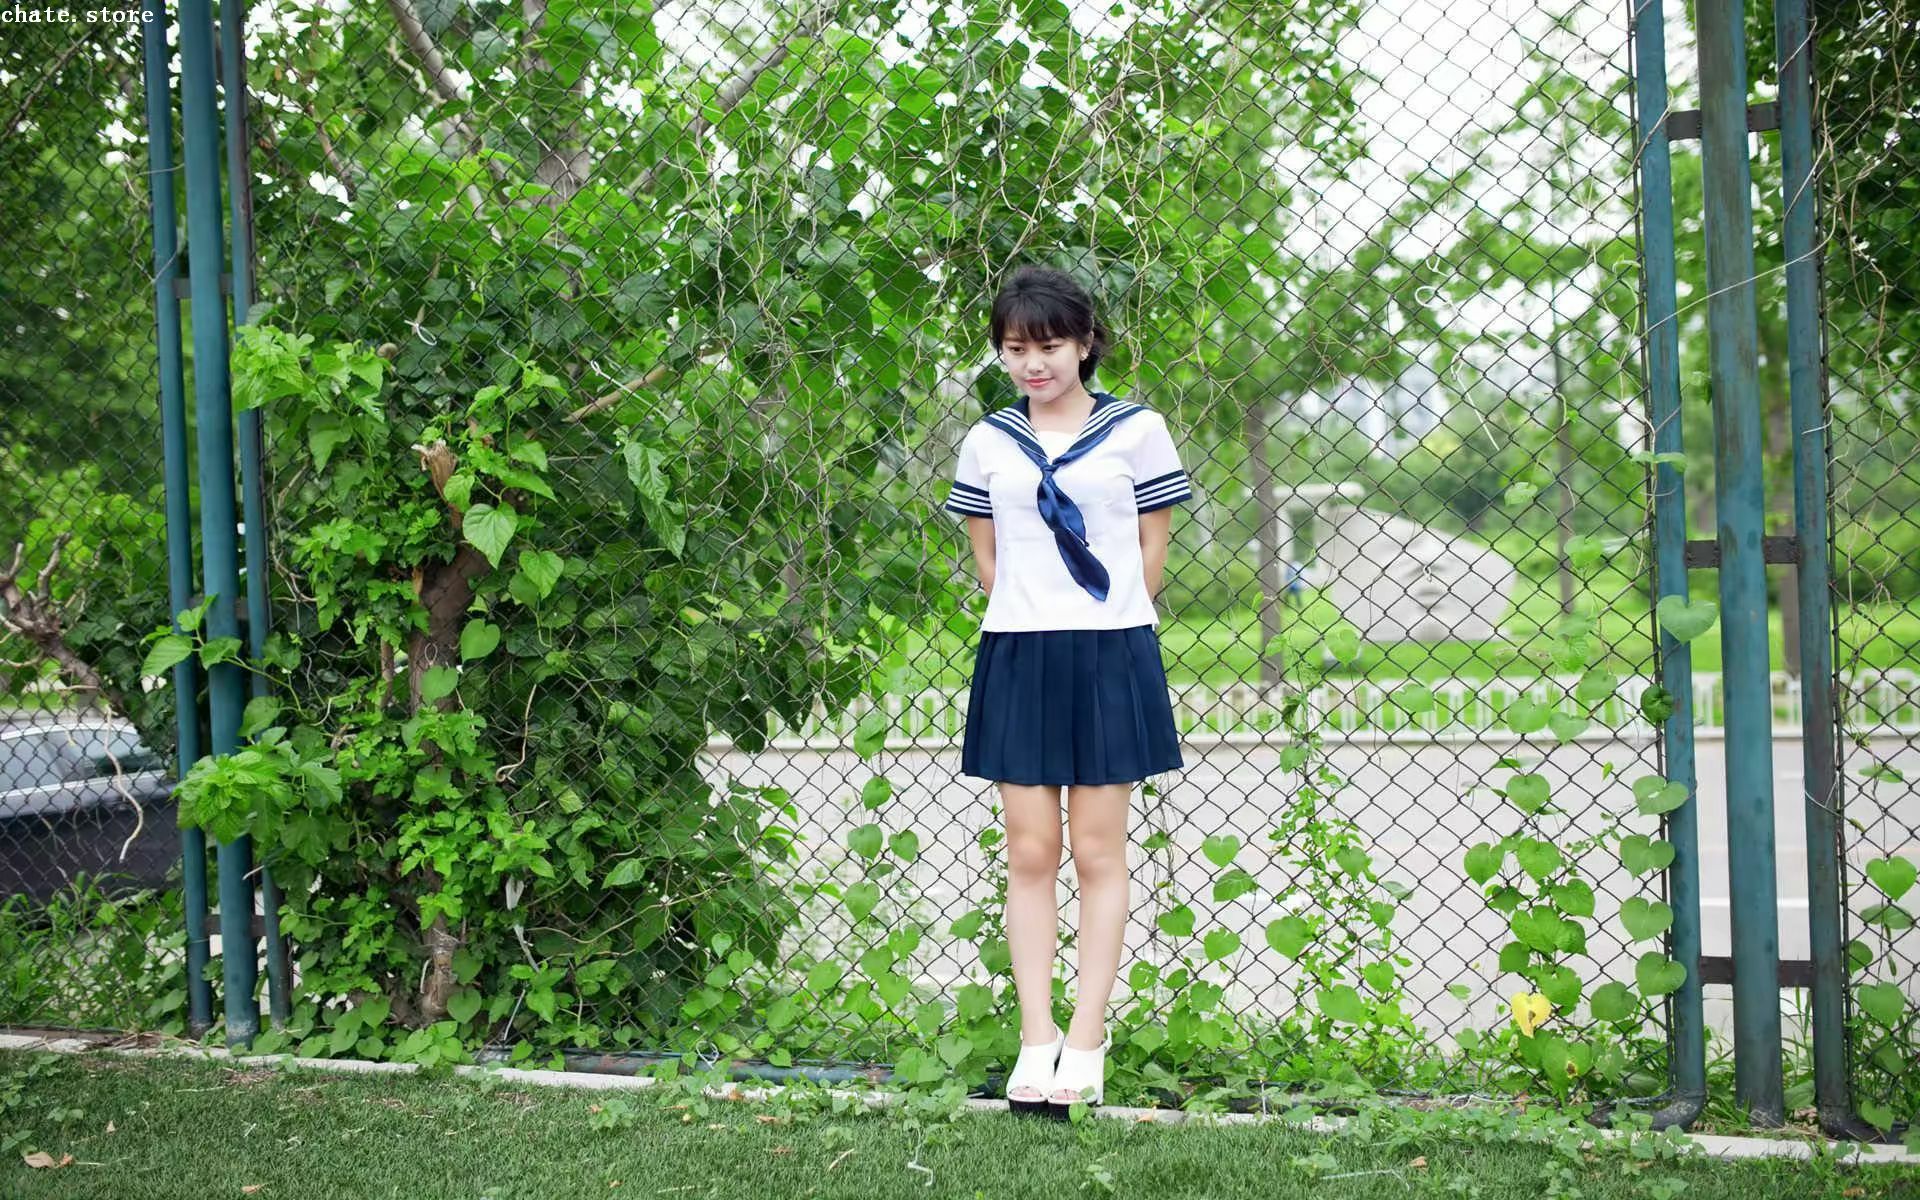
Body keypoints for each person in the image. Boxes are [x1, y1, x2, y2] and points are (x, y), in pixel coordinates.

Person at [942, 264, 1193, 1117]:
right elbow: (987, 556)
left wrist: (1107, 620)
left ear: (1085, 343)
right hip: (1020, 652)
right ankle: (1036, 1035)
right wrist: (1035, 613)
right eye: (1016, 349)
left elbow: (1152, 548)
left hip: (1110, 652)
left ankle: (1087, 1038)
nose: (1033, 364)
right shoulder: (989, 441)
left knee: (1096, 851)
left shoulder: (1138, 430)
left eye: (1049, 345)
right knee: (1029, 851)